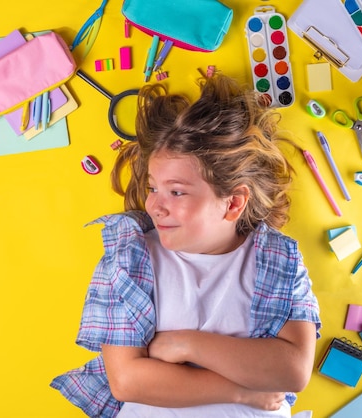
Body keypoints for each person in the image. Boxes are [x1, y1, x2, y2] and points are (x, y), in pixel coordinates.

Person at [51, 73, 321, 418]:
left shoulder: (278, 260)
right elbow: (128, 380)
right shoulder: (130, 257)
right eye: (153, 188)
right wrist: (243, 391)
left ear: (233, 203)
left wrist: (184, 344)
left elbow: (293, 370)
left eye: (176, 192)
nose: (155, 205)